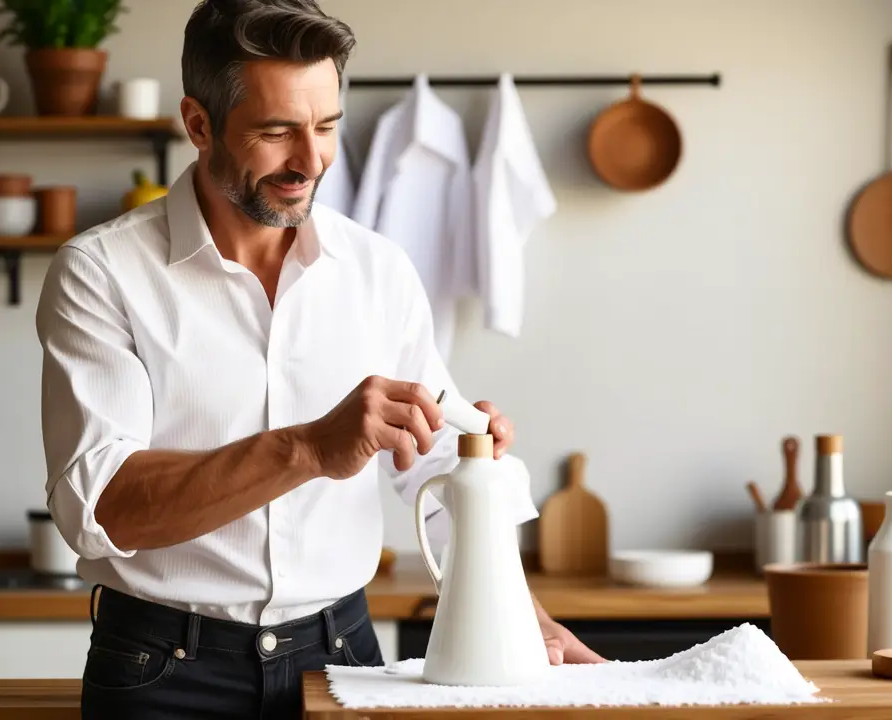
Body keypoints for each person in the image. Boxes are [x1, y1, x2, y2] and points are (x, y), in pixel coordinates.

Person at [34, 1, 604, 717]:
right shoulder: (100, 273)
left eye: (327, 127)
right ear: (199, 123)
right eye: (276, 132)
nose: (311, 161)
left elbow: (432, 469)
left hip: (343, 657)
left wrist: (521, 608)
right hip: (163, 674)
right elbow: (104, 507)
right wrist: (307, 448)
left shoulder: (378, 269)